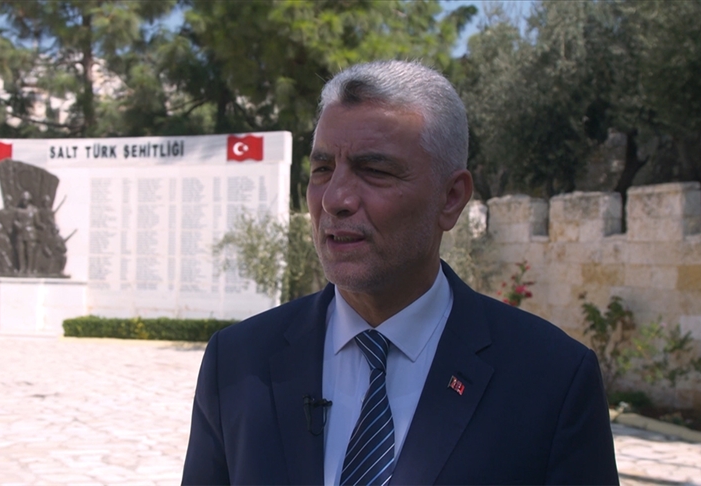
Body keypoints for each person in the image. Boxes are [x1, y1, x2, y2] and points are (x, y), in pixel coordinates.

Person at [182, 60, 618, 485]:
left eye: (374, 171)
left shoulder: (552, 379)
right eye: (322, 169)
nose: (334, 199)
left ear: (451, 198)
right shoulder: (237, 362)